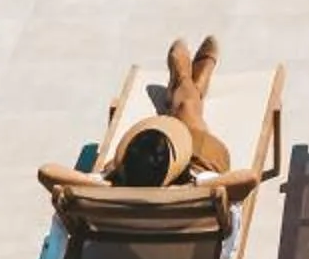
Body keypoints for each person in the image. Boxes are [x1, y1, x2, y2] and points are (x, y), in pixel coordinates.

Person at [106, 35, 263, 198]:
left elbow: (76, 182)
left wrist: (105, 182)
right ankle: (186, 82)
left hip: (142, 195)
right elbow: (250, 178)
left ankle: (186, 84)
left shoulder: (111, 191)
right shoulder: (198, 188)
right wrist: (189, 187)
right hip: (199, 168)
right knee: (187, 107)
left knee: (184, 111)